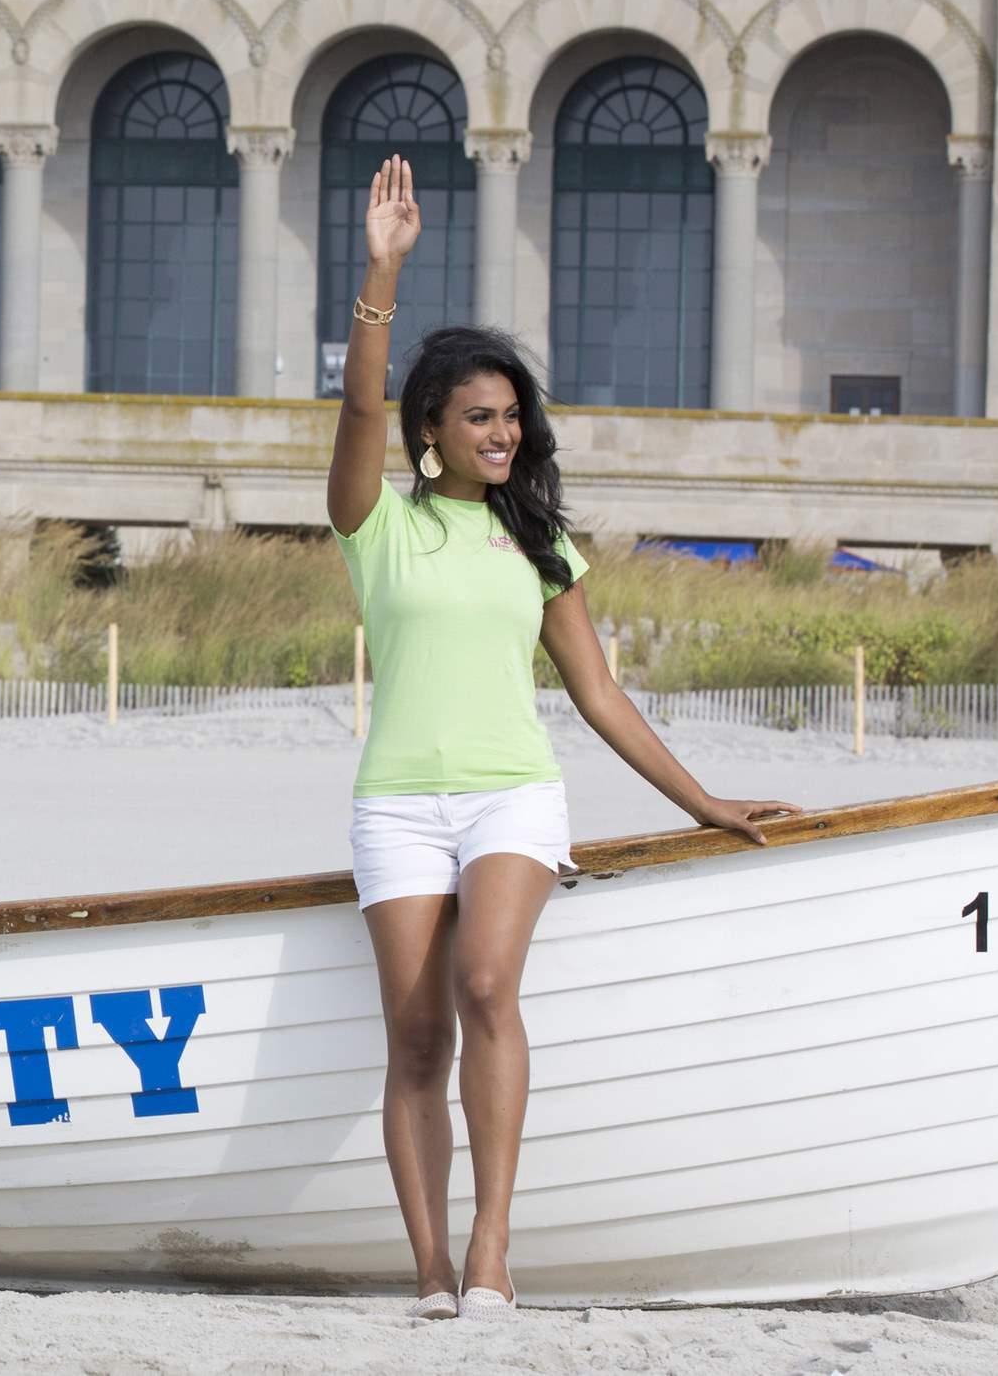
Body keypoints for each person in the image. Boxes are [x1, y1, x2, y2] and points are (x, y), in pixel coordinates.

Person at [325, 155, 803, 1320]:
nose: (502, 431)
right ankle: (430, 1271)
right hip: (395, 800)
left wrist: (704, 802)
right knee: (414, 1030)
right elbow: (352, 413)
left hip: (509, 797)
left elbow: (601, 697)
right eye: (478, 416)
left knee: (487, 982)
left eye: (511, 416)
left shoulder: (541, 546)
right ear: (430, 430)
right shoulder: (375, 524)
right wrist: (380, 274)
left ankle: (492, 1251)